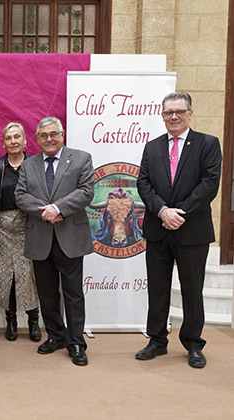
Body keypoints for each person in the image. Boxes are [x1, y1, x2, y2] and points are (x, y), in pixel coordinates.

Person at [135, 92, 222, 369]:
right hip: (158, 228)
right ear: (162, 116)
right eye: (168, 112)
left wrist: (179, 212)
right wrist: (162, 210)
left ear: (190, 113)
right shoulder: (152, 147)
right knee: (157, 289)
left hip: (191, 229)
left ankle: (194, 344)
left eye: (179, 112)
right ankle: (157, 341)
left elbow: (209, 184)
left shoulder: (208, 144)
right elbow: (143, 184)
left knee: (192, 290)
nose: (174, 117)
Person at [15, 116, 94, 366]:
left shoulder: (81, 158)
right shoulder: (28, 165)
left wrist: (58, 207)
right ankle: (56, 336)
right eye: (44, 135)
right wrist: (44, 211)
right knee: (47, 294)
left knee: (73, 293)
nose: (49, 139)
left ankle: (76, 343)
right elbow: (20, 196)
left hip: (70, 236)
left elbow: (86, 191)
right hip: (40, 236)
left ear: (62, 134)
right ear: (37, 139)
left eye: (54, 134)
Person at [0, 122, 40, 342]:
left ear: (25, 141)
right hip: (4, 226)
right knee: (5, 275)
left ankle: (33, 320)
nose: (13, 141)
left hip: (30, 225)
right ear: (4, 143)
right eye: (9, 138)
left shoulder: (35, 164)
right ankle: (10, 320)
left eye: (17, 137)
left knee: (29, 276)